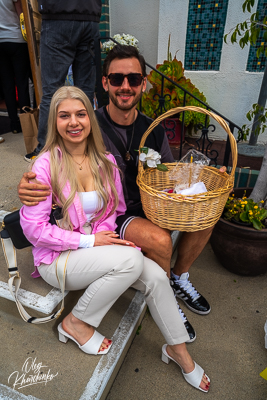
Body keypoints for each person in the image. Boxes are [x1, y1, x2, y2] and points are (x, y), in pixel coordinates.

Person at [18, 45, 225, 342]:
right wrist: (24, 186)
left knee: (207, 214)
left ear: (143, 83)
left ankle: (178, 277)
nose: (125, 86)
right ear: (105, 83)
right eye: (116, 79)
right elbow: (51, 168)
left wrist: (201, 181)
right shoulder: (89, 125)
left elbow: (169, 172)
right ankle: (161, 285)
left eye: (133, 79)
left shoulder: (153, 128)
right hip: (121, 214)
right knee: (159, 240)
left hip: (153, 205)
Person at [20, 86, 210, 392]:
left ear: (89, 119)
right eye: (64, 115)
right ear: (54, 122)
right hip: (57, 260)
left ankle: (178, 349)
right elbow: (33, 230)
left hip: (96, 250)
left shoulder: (106, 162)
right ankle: (76, 322)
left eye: (81, 114)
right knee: (133, 259)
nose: (74, 122)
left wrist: (103, 238)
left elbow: (115, 212)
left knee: (156, 276)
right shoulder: (44, 166)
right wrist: (90, 242)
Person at [24, 0, 102, 162]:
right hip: (90, 16)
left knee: (52, 91)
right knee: (86, 91)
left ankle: (45, 151)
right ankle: (88, 147)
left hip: (58, 14)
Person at [0, 0, 31, 133]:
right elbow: (22, 16)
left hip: (1, 41)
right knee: (22, 83)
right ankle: (26, 123)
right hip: (17, 39)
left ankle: (14, 124)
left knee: (7, 85)